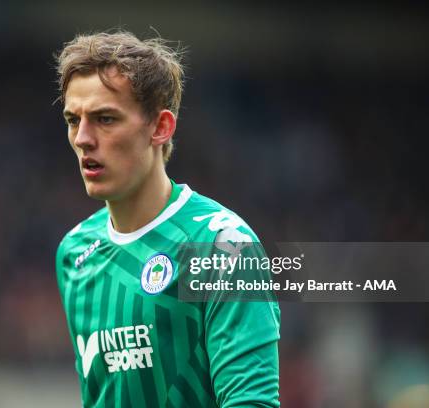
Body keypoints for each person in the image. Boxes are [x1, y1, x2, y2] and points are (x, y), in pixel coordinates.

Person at [54, 30, 280, 407]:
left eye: (105, 119)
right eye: (73, 120)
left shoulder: (223, 247)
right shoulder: (74, 253)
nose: (83, 138)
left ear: (160, 128)